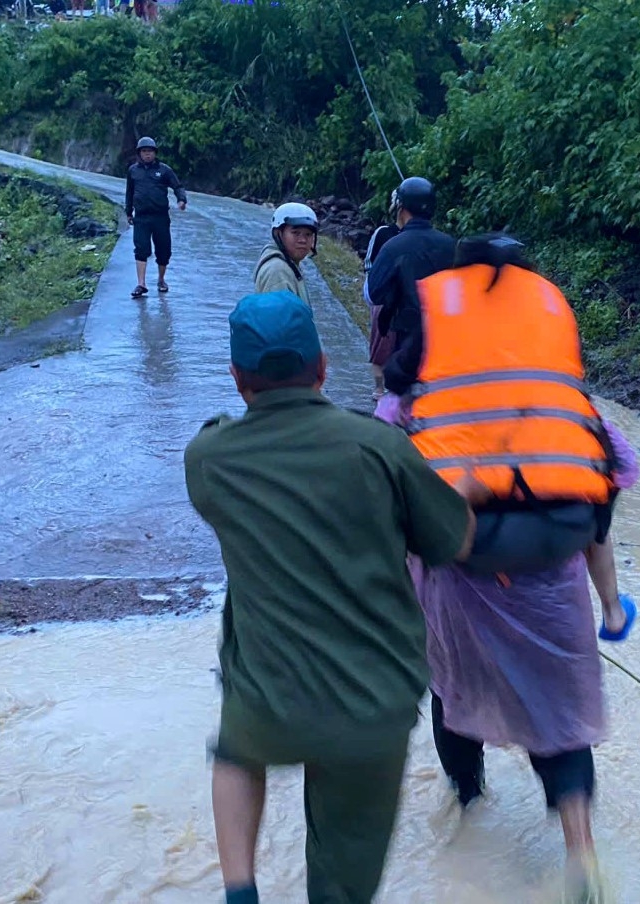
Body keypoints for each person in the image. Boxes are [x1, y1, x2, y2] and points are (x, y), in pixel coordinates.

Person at [183, 290, 488, 904]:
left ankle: (240, 889)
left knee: (237, 751)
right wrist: (465, 491)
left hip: (268, 698)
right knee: (343, 885)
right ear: (322, 367)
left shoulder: (208, 460)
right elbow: (454, 544)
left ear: (237, 379)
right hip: (370, 706)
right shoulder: (377, 447)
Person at [376, 234, 640, 900]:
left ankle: (466, 810)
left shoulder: (425, 370)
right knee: (557, 714)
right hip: (551, 568)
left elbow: (386, 471)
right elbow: (616, 475)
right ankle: (580, 852)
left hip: (460, 568)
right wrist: (611, 607)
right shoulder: (561, 389)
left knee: (450, 688)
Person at [364, 176, 457, 396]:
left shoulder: (393, 246)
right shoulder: (452, 246)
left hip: (406, 344)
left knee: (404, 406)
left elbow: (373, 294)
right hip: (446, 343)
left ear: (400, 207)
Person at [125, 136, 187, 298]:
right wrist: (128, 211)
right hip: (141, 217)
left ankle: (161, 279)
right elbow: (129, 192)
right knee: (141, 249)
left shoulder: (164, 170)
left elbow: (177, 186)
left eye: (150, 151)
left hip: (160, 217)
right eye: (144, 151)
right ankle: (141, 284)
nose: (147, 154)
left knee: (163, 250)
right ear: (139, 153)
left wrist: (181, 200)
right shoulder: (133, 171)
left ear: (155, 153)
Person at [363, 220, 400, 401]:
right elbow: (369, 265)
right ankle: (379, 388)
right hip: (384, 298)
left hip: (408, 301)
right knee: (380, 346)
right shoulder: (383, 233)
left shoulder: (420, 237)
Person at [253, 202, 318, 305]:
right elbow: (278, 319)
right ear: (278, 233)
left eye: (308, 234)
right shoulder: (278, 271)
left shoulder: (288, 264)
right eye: (296, 233)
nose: (303, 240)